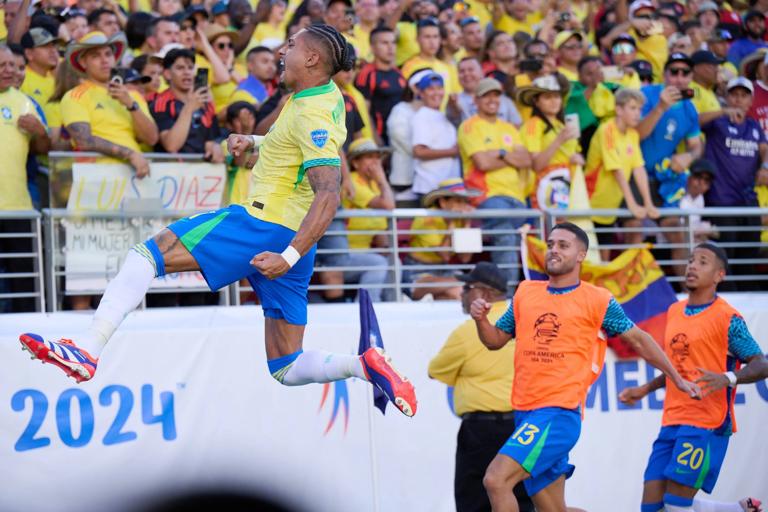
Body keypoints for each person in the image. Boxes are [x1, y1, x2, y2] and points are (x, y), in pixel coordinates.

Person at [19, 24, 417, 418]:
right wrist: (256, 144)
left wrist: (289, 257)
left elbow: (329, 193)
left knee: (144, 256)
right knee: (285, 366)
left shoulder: (312, 112)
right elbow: (296, 149)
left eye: (291, 45)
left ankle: (86, 350)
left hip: (264, 227)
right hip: (291, 238)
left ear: (312, 58)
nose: (282, 51)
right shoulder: (322, 96)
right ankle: (362, 365)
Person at [471, 222, 699, 511]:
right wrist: (481, 321)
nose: (553, 250)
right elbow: (494, 340)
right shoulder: (526, 292)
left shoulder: (597, 299)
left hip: (557, 414)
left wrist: (676, 378)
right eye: (551, 244)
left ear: (581, 255)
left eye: (563, 245)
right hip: (525, 413)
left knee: (496, 480)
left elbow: (639, 340)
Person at [619, 243, 768, 512]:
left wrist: (728, 378)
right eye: (690, 260)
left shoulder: (727, 318)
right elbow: (679, 369)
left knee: (676, 504)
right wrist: (645, 389)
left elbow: (762, 364)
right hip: (673, 419)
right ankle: (738, 509)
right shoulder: (675, 311)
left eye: (702, 262)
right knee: (652, 507)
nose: (692, 266)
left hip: (707, 422)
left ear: (719, 275)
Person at [428, 261, 534, 512]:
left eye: (468, 287)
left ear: (485, 293)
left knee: (474, 502)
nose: (462, 293)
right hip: (524, 427)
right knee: (523, 500)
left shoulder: (467, 331)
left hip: (480, 431)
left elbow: (435, 371)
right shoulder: (525, 321)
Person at [637, 52, 703, 276]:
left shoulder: (689, 108)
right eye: (674, 72)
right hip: (635, 176)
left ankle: (688, 298)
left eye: (685, 73)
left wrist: (689, 157)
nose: (679, 77)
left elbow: (696, 146)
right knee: (632, 235)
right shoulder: (646, 95)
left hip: (664, 181)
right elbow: (637, 134)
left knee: (678, 235)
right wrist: (660, 108)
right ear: (664, 75)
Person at [459, 77, 530, 280]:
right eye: (486, 96)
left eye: (496, 95)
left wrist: (499, 154)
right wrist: (508, 156)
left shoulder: (509, 127)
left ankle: (517, 293)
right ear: (476, 100)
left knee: (522, 245)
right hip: (489, 196)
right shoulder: (469, 126)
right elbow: (483, 163)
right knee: (506, 242)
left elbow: (525, 160)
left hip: (517, 198)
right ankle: (507, 295)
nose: (492, 100)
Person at [60, 31, 158, 177]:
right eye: (95, 56)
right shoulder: (75, 96)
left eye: (108, 54)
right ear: (83, 62)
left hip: (135, 176)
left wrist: (131, 105)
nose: (104, 60)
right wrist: (129, 154)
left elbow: (151, 139)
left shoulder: (133, 96)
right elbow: (84, 141)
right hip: (96, 179)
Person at [702, 77, 768, 289]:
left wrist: (765, 167)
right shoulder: (717, 122)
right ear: (727, 97)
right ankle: (726, 300)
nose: (739, 100)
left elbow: (764, 149)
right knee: (725, 257)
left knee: (748, 255)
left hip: (748, 201)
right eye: (734, 95)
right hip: (721, 202)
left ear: (750, 101)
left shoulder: (753, 126)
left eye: (743, 95)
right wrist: (723, 111)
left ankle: (747, 305)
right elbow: (695, 120)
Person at [0, 44, 50, 313]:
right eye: (2, 65)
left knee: (23, 285)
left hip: (19, 209)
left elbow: (43, 149)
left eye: (12, 65)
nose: (8, 70)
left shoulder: (24, 101)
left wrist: (40, 132)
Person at [586, 88, 660, 260]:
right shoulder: (607, 130)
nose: (638, 114)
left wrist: (648, 204)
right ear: (619, 110)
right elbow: (616, 170)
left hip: (608, 209)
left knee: (604, 258)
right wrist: (632, 204)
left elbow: (639, 169)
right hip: (590, 204)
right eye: (633, 108)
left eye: (640, 109)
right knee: (590, 261)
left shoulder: (633, 135)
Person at [405, 179, 477, 301]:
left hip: (444, 270)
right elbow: (445, 255)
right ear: (443, 202)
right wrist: (451, 226)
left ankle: (432, 299)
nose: (463, 207)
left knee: (458, 292)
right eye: (458, 201)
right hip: (419, 271)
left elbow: (465, 258)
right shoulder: (427, 218)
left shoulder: (460, 218)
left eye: (465, 202)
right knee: (463, 287)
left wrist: (467, 224)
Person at [517, 74, 580, 211]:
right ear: (536, 101)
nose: (554, 101)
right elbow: (537, 165)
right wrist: (559, 140)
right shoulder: (532, 125)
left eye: (556, 96)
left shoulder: (562, 125)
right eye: (547, 97)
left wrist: (577, 159)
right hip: (542, 190)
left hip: (566, 188)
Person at [150, 47, 224, 160]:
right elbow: (171, 145)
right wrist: (189, 108)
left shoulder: (205, 103)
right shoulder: (160, 104)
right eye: (180, 68)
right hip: (172, 172)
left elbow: (212, 138)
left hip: (204, 171)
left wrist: (215, 146)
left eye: (190, 68)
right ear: (167, 74)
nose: (187, 72)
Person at [411, 70, 460, 199]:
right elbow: (419, 152)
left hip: (446, 187)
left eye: (439, 88)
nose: (436, 93)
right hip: (430, 188)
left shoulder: (442, 115)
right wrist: (453, 151)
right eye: (430, 89)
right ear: (421, 94)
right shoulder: (422, 116)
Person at [354, 26, 405, 145]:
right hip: (380, 141)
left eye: (393, 42)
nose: (390, 47)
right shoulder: (367, 74)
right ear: (372, 47)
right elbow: (364, 111)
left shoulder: (398, 73)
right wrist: (376, 140)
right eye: (384, 43)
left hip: (400, 139)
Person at [342, 138, 395, 251]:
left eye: (377, 157)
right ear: (355, 163)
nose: (376, 162)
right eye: (370, 157)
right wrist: (382, 179)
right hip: (348, 250)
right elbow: (388, 205)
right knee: (381, 263)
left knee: (391, 262)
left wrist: (386, 252)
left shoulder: (374, 182)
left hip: (365, 250)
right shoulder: (352, 181)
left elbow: (381, 226)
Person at [451, 57, 520, 126]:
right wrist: (453, 108)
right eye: (461, 71)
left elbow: (517, 126)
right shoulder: (454, 101)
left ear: (482, 72)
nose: (466, 74)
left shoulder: (503, 99)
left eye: (471, 70)